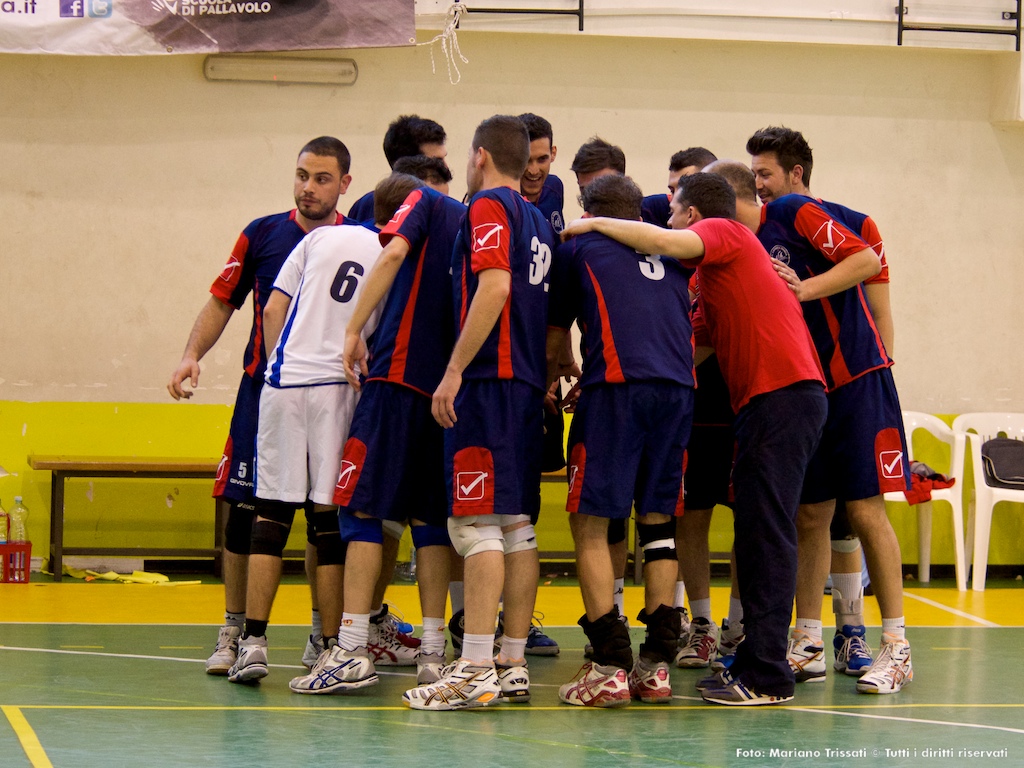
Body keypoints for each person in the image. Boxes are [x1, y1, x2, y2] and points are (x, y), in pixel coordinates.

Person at [561, 172, 827, 706]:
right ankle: (747, 663)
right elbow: (692, 346)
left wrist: (587, 224)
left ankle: (768, 676)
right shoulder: (716, 277)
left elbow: (660, 241)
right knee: (753, 533)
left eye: (676, 211)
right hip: (760, 401)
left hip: (782, 396)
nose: (670, 220)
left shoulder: (727, 234)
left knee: (768, 535)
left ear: (693, 214)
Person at [167, 137, 351, 676]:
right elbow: (223, 300)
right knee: (244, 514)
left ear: (344, 184)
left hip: (328, 400)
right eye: (301, 175)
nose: (307, 187)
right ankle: (234, 629)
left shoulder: (353, 240)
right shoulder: (262, 233)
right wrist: (190, 355)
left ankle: (323, 635)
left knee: (325, 518)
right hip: (263, 395)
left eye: (321, 178)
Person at [289, 168, 468, 694]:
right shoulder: (469, 220)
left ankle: (349, 647)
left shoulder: (419, 209)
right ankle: (433, 653)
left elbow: (390, 257)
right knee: (431, 522)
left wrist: (350, 332)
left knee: (361, 510)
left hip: (395, 381)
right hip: (443, 392)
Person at [748, 125, 913, 694]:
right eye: (752, 175)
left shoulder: (801, 209)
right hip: (810, 389)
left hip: (859, 384)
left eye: (765, 172)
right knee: (810, 514)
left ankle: (897, 646)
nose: (758, 183)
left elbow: (865, 262)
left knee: (866, 511)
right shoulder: (758, 230)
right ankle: (810, 640)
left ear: (794, 174)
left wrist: (804, 290)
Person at [227, 174, 410, 686]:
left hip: (284, 383)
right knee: (328, 524)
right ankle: (332, 648)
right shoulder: (394, 251)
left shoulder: (316, 238)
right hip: (340, 384)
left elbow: (272, 307)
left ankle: (253, 643)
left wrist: (276, 369)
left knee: (271, 517)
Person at [402, 115, 556, 711]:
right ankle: (510, 662)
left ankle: (472, 668)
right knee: (516, 526)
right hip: (522, 388)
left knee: (473, 525)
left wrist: (454, 370)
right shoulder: (540, 221)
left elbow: (493, 288)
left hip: (489, 382)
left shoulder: (490, 206)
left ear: (481, 155)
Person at [548, 174, 694, 707]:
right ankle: (655, 666)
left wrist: (548, 383)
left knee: (590, 522)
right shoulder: (670, 250)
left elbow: (554, 332)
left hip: (617, 389)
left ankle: (609, 664)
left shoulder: (579, 246)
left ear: (588, 209)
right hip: (678, 390)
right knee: (658, 523)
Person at [347, 115, 448, 223]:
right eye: (437, 161)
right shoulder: (364, 207)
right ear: (408, 165)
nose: (445, 167)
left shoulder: (444, 204)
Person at [642, 147, 718, 227]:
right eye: (672, 191)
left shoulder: (728, 226)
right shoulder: (651, 209)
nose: (673, 201)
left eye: (684, 190)